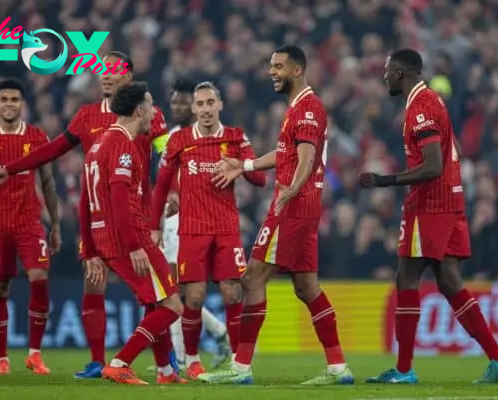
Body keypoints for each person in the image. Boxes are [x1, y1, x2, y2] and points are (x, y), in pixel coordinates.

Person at [0, 52, 171, 380]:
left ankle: (163, 364)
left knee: (155, 294)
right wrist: (8, 170)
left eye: (114, 70)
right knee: (99, 286)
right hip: (98, 218)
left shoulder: (150, 115)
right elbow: (51, 150)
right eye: (102, 71)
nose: (106, 76)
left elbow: (166, 158)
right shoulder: (87, 116)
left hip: (134, 217)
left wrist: (163, 210)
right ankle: (102, 362)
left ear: (130, 76)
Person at [358, 48, 498, 384]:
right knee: (448, 280)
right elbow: (450, 151)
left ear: (400, 73)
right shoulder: (431, 101)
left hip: (431, 205)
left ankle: (403, 370)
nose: (384, 76)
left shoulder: (421, 106)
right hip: (449, 201)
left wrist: (385, 180)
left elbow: (432, 165)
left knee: (407, 278)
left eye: (387, 70)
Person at [198, 45, 354, 385]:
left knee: (252, 278)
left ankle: (240, 368)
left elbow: (307, 156)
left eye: (279, 66)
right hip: (301, 204)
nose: (272, 71)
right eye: (271, 65)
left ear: (297, 70)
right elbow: (287, 153)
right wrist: (245, 165)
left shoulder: (308, 108)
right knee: (307, 286)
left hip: (292, 207)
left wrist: (291, 190)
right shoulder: (297, 108)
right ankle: (338, 367)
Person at [151, 81, 266, 379]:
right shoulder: (178, 141)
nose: (205, 109)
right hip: (192, 229)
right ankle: (192, 360)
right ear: (193, 109)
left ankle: (239, 365)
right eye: (199, 104)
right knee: (195, 297)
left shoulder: (236, 137)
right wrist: (154, 227)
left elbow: (260, 182)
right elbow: (162, 185)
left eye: (209, 103)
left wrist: (242, 165)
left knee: (231, 292)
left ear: (220, 105)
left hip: (227, 228)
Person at [81, 81, 183, 385]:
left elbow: (84, 203)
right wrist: (135, 246)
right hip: (129, 238)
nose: (154, 112)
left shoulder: (98, 144)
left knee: (156, 302)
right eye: (151, 105)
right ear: (139, 109)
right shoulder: (123, 146)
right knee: (173, 305)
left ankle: (165, 371)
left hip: (106, 238)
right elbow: (119, 201)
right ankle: (120, 363)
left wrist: (89, 250)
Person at [0, 78, 61, 375]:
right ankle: (1, 359)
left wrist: (55, 223)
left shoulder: (36, 135)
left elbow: (47, 181)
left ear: (22, 104)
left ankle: (34, 354)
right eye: (4, 99)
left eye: (14, 99)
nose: (9, 104)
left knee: (39, 278)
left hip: (29, 221)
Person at [147, 78, 231, 374]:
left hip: (195, 220)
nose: (180, 106)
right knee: (175, 290)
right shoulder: (168, 137)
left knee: (178, 290)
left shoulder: (209, 137)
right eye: (176, 102)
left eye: (186, 102)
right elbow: (162, 178)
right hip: (171, 221)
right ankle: (211, 337)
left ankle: (185, 357)